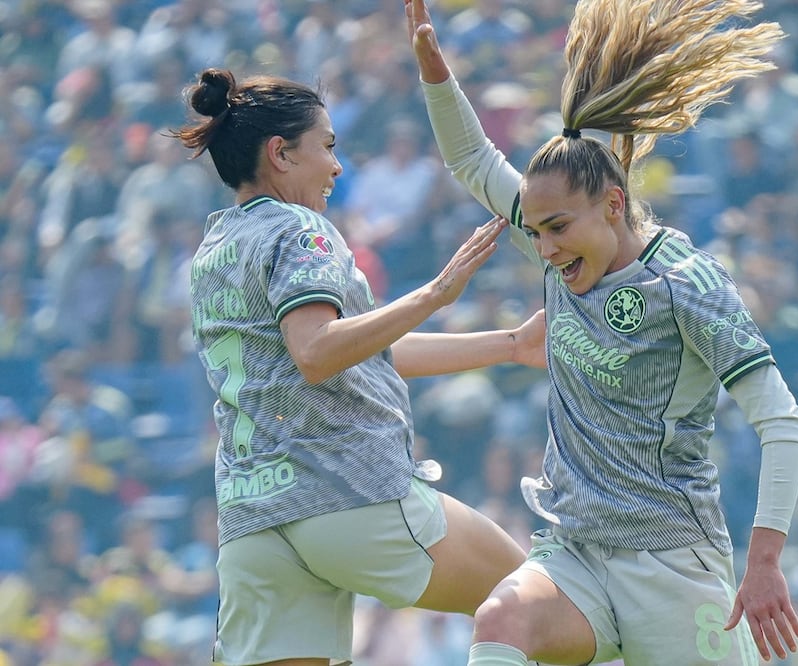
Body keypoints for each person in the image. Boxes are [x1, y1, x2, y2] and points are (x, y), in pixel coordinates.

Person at [406, 0, 798, 664]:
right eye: (533, 233)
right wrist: (434, 73)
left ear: (613, 206)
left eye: (557, 229)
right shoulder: (560, 242)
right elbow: (473, 163)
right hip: (574, 553)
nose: (543, 249)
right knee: (500, 619)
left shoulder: (686, 282)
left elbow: (782, 422)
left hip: (671, 564)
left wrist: (764, 559)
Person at [169, 66, 547, 666]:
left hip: (255, 517)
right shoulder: (302, 230)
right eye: (327, 146)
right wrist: (435, 293)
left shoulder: (215, 246)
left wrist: (509, 345)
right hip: (349, 495)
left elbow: (362, 353)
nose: (338, 166)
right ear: (280, 155)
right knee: (541, 607)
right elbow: (318, 351)